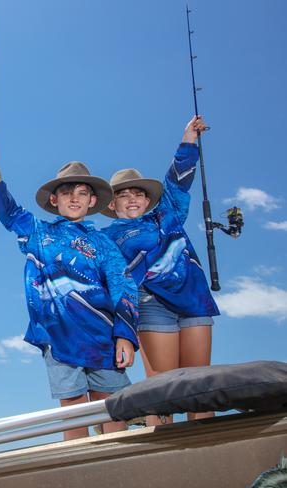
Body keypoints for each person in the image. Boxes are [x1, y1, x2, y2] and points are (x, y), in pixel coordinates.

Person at [0, 138, 138, 440]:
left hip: (103, 337)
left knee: (114, 411)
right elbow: (9, 211)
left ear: (93, 201)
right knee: (74, 413)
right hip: (58, 338)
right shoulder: (37, 232)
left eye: (82, 193)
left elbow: (123, 286)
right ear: (54, 200)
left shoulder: (103, 243)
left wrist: (126, 336)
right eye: (66, 192)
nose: (74, 198)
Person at [100, 115, 220, 425]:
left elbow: (178, 180)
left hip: (193, 301)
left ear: (148, 199)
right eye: (123, 195)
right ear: (111, 204)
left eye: (137, 193)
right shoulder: (107, 237)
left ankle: (209, 448)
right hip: (152, 307)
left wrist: (188, 138)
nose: (132, 199)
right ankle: (162, 455)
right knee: (163, 388)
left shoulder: (169, 215)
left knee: (199, 383)